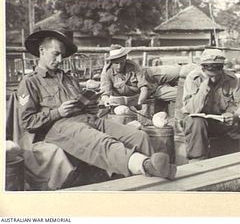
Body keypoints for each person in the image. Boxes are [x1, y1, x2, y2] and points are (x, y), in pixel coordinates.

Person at [18, 29, 176, 185]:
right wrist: (57, 112)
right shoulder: (30, 82)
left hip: (89, 119)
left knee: (138, 136)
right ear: (42, 51)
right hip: (59, 126)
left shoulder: (69, 79)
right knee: (104, 142)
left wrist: (91, 106)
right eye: (56, 54)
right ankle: (147, 166)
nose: (60, 60)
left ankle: (154, 180)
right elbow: (27, 122)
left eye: (62, 56)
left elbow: (83, 105)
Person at [100, 44, 180, 106]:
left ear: (125, 58)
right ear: (111, 62)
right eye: (116, 63)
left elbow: (143, 87)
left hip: (152, 74)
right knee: (181, 95)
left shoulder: (133, 65)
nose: (119, 66)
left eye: (122, 63)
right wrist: (107, 100)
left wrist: (139, 102)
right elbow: (105, 93)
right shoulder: (107, 73)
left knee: (180, 71)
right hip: (154, 90)